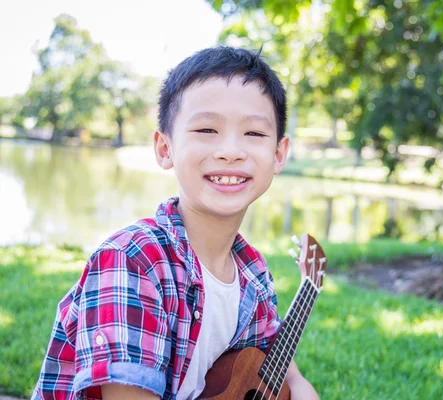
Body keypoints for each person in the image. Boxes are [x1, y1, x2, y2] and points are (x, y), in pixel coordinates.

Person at [31, 46, 319, 400]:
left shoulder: (253, 275)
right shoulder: (133, 262)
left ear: (278, 154)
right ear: (165, 149)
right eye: (207, 129)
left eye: (254, 134)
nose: (230, 150)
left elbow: (293, 380)